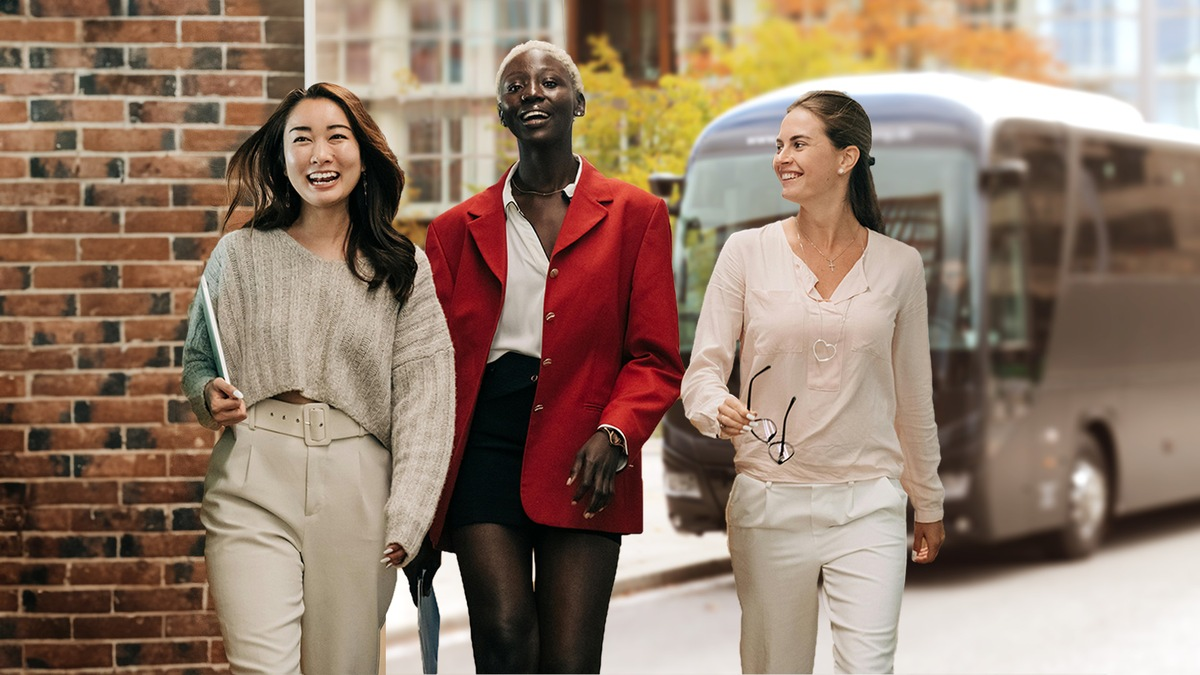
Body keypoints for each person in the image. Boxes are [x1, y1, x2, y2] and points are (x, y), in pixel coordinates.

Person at [415, 40, 684, 673]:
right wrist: (417, 495)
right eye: (515, 86)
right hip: (484, 442)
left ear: (578, 101)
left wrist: (616, 433)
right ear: (501, 114)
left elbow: (655, 357)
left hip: (588, 446)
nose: (532, 92)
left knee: (569, 658)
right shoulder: (453, 230)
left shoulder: (637, 216)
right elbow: (428, 367)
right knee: (504, 635)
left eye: (550, 81)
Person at [181, 82, 454, 674]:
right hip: (253, 472)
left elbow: (427, 401)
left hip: (359, 488)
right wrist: (210, 395)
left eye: (336, 136)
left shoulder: (402, 268)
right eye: (300, 139)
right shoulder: (239, 254)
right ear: (282, 157)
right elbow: (200, 358)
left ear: (364, 151)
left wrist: (410, 511)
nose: (318, 154)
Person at [680, 90, 946, 674]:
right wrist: (713, 406)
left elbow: (912, 397)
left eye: (799, 144)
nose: (782, 157)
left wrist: (926, 498)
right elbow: (702, 372)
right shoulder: (744, 253)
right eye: (779, 146)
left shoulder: (902, 266)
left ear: (846, 158)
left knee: (869, 668)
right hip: (769, 505)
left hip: (869, 506)